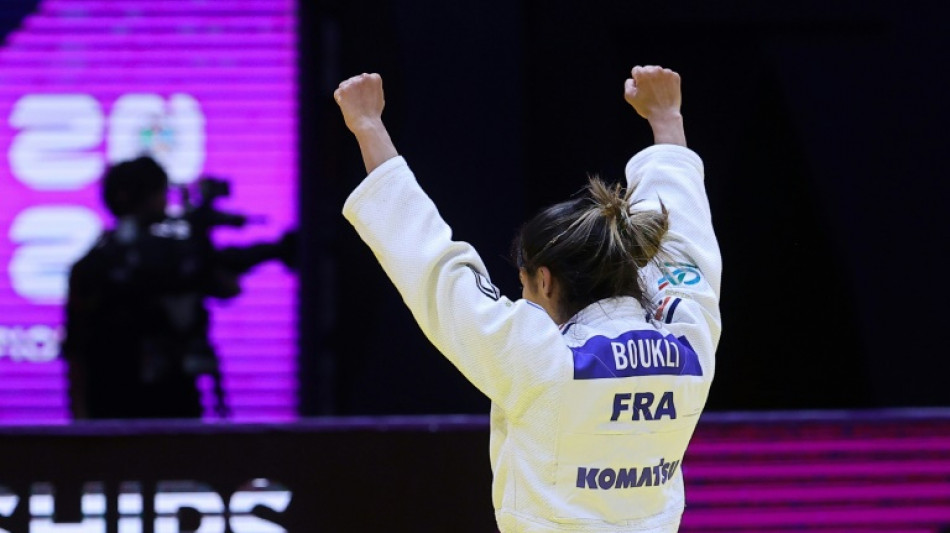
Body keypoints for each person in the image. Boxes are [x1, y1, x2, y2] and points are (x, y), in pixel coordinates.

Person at [334, 65, 721, 531]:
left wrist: (369, 128)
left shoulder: (540, 358)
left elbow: (434, 268)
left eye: (523, 286)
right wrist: (666, 118)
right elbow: (681, 235)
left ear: (545, 279)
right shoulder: (687, 340)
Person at [62, 155, 297, 420]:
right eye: (161, 192)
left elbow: (226, 286)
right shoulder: (101, 265)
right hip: (121, 403)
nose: (166, 201)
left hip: (165, 401)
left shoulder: (163, 256)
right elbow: (77, 348)